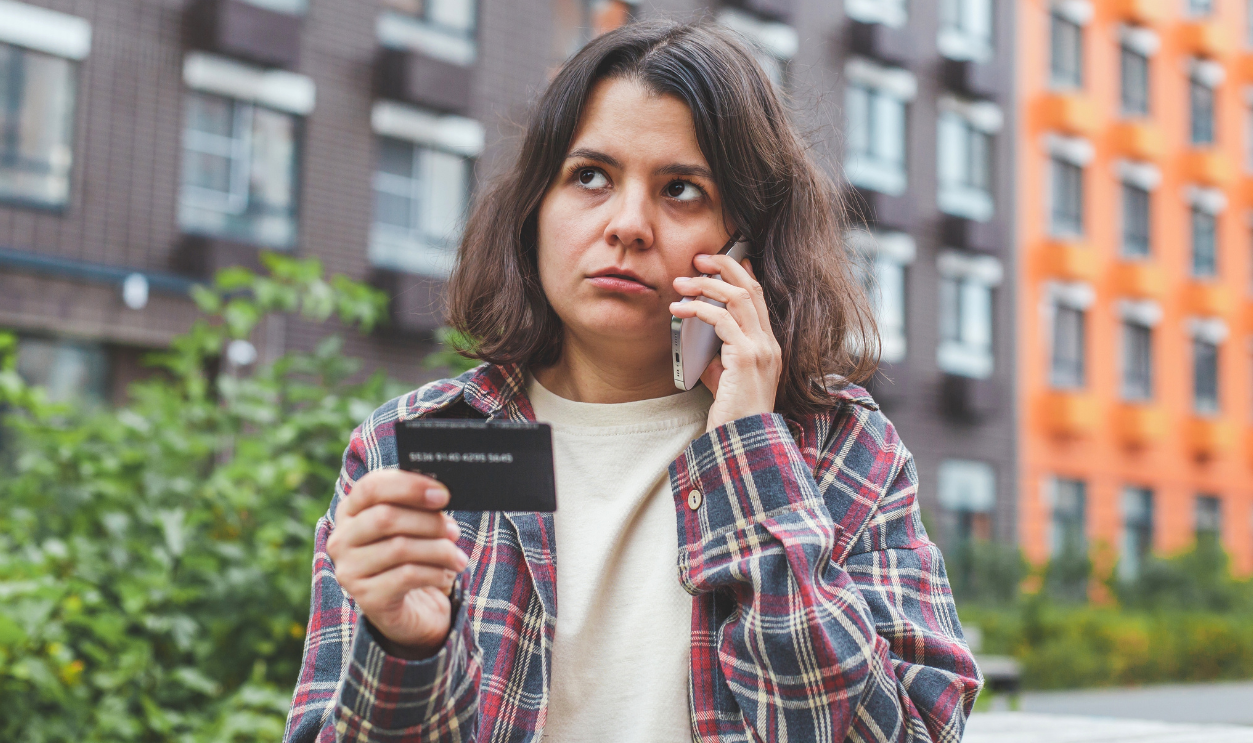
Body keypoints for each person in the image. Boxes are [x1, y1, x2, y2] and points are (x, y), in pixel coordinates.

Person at [283, 20, 981, 743]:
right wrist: (407, 649)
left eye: (680, 189)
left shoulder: (840, 448)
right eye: (589, 176)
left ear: (745, 239)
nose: (627, 224)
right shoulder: (416, 443)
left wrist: (750, 453)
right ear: (534, 208)